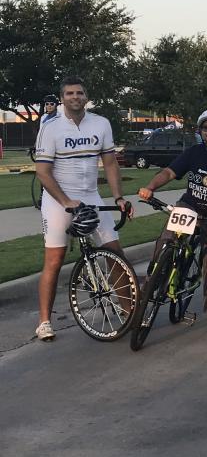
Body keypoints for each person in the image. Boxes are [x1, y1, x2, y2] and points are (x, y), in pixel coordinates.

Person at [33, 76, 133, 341]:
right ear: (62, 98)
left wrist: (119, 197)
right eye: (69, 93)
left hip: (91, 196)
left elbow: (110, 163)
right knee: (54, 260)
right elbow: (42, 172)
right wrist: (66, 201)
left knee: (115, 254)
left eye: (79, 93)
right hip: (58, 200)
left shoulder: (100, 124)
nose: (74, 97)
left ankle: (127, 309)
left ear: (86, 97)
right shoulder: (50, 127)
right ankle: (44, 321)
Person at [138, 109, 207, 331]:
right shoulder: (194, 152)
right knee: (166, 241)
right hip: (189, 207)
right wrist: (150, 187)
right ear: (200, 131)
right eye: (206, 127)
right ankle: (154, 281)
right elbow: (169, 172)